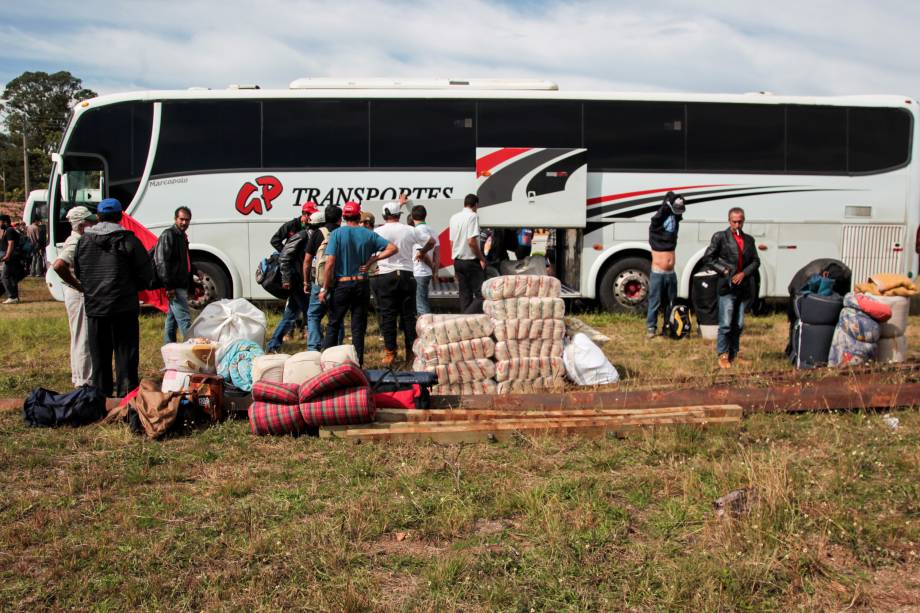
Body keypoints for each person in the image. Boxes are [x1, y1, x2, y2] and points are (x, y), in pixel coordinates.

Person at [74, 198, 153, 396]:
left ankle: (101, 399)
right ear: (120, 217)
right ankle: (126, 400)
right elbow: (147, 275)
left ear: (98, 217)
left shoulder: (84, 241)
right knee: (125, 355)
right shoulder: (129, 240)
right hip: (123, 308)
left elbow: (79, 271)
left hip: (95, 309)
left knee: (99, 357)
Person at [319, 201, 396, 366]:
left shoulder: (337, 234)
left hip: (342, 284)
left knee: (334, 323)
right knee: (358, 327)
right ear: (358, 215)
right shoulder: (368, 234)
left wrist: (324, 287)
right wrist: (373, 260)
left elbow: (330, 263)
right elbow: (392, 248)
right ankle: (357, 364)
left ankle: (325, 362)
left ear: (344, 216)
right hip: (362, 284)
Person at [372, 200, 436, 366]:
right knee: (408, 316)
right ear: (399, 215)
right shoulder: (410, 230)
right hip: (408, 275)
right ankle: (411, 353)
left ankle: (390, 352)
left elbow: (370, 250)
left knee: (388, 315)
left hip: (385, 275)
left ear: (384, 215)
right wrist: (422, 252)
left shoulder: (377, 231)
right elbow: (431, 242)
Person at [703, 207, 761, 369]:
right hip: (727, 287)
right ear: (729, 221)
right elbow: (709, 258)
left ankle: (734, 353)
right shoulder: (720, 237)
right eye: (734, 221)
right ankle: (722, 354)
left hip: (743, 288)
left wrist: (743, 273)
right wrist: (726, 271)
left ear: (744, 220)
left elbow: (756, 261)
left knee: (739, 324)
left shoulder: (749, 240)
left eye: (740, 221)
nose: (737, 224)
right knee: (726, 323)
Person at [51, 206, 97, 387]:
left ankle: (85, 377)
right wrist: (78, 285)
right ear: (82, 224)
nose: (94, 223)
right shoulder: (75, 241)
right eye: (90, 221)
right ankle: (84, 380)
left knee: (84, 336)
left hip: (78, 294)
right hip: (78, 296)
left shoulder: (81, 239)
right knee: (82, 337)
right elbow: (58, 265)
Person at [266, 201, 317, 351]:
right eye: (310, 215)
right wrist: (286, 252)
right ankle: (315, 345)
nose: (312, 217)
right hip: (294, 275)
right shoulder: (291, 226)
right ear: (304, 214)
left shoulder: (310, 229)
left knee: (291, 314)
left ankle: (273, 344)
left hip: (300, 275)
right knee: (310, 311)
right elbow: (274, 239)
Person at [303, 206, 344, 351]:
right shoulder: (342, 233)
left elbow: (307, 260)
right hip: (339, 282)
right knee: (337, 316)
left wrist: (306, 281)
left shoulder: (317, 233)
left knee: (313, 315)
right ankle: (336, 349)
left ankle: (313, 348)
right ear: (341, 218)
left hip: (319, 281)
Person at [646, 191, 686, 339]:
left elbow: (679, 212)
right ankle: (651, 328)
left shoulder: (674, 222)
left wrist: (678, 200)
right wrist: (667, 204)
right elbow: (657, 217)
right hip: (658, 272)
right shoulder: (655, 226)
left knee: (671, 302)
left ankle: (668, 326)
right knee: (655, 302)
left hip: (671, 273)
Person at [155, 206, 194, 344]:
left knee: (171, 321)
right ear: (175, 219)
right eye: (181, 219)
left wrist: (195, 271)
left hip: (179, 284)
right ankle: (194, 350)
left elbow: (185, 260)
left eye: (187, 220)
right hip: (175, 286)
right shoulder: (169, 235)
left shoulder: (181, 236)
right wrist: (169, 286)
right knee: (185, 322)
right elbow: (161, 262)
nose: (184, 223)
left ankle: (169, 350)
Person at [449, 194, 486, 313]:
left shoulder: (454, 217)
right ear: (475, 205)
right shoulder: (473, 216)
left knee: (465, 295)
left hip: (458, 261)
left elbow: (451, 242)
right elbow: (471, 242)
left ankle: (464, 323)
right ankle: (467, 315)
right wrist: (481, 258)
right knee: (482, 295)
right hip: (471, 261)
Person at [408, 204, 439, 316]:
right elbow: (437, 253)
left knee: (421, 305)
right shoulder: (433, 230)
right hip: (427, 273)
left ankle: (426, 328)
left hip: (419, 272)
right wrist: (435, 271)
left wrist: (431, 265)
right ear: (425, 215)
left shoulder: (416, 231)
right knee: (424, 300)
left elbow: (422, 254)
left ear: (412, 216)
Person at [0, 214, 22, 304]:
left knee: (4, 276)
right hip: (12, 257)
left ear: (4, 222)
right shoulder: (7, 230)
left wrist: (7, 256)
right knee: (12, 277)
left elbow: (11, 244)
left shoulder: (9, 230)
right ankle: (15, 297)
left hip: (11, 257)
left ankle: (12, 296)